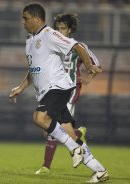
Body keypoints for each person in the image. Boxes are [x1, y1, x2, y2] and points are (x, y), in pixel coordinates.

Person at [9, 3, 108, 183]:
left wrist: (87, 65)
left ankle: (73, 149)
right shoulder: (30, 41)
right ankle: (99, 170)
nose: (22, 22)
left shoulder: (49, 35)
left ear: (36, 19)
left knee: (39, 118)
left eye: (25, 18)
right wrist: (20, 88)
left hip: (58, 87)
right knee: (69, 133)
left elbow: (77, 46)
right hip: (48, 91)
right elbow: (34, 70)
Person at [35, 13, 99, 175]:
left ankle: (46, 166)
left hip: (70, 91)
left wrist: (89, 76)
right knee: (49, 128)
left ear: (70, 30)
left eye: (63, 28)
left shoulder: (78, 46)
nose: (59, 31)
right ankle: (78, 134)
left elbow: (95, 63)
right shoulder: (53, 44)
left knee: (51, 127)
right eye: (57, 28)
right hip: (55, 90)